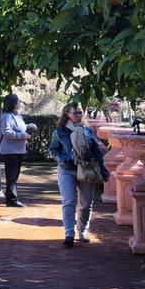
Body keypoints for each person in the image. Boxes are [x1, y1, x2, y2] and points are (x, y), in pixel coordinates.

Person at [50, 103, 108, 247]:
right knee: (69, 201)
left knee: (86, 202)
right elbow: (53, 149)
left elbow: (96, 149)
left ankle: (82, 230)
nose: (79, 115)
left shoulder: (88, 130)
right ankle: (69, 233)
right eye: (75, 113)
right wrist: (63, 159)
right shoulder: (60, 131)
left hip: (86, 168)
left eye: (80, 112)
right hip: (66, 169)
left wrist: (101, 165)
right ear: (67, 114)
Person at [0, 94, 31, 207]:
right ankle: (12, 200)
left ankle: (11, 198)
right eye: (18, 102)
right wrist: (23, 135)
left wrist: (29, 126)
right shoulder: (7, 117)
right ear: (14, 103)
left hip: (18, 150)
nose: (19, 104)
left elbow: (21, 127)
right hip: (10, 151)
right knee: (11, 176)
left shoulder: (17, 116)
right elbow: (7, 133)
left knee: (15, 176)